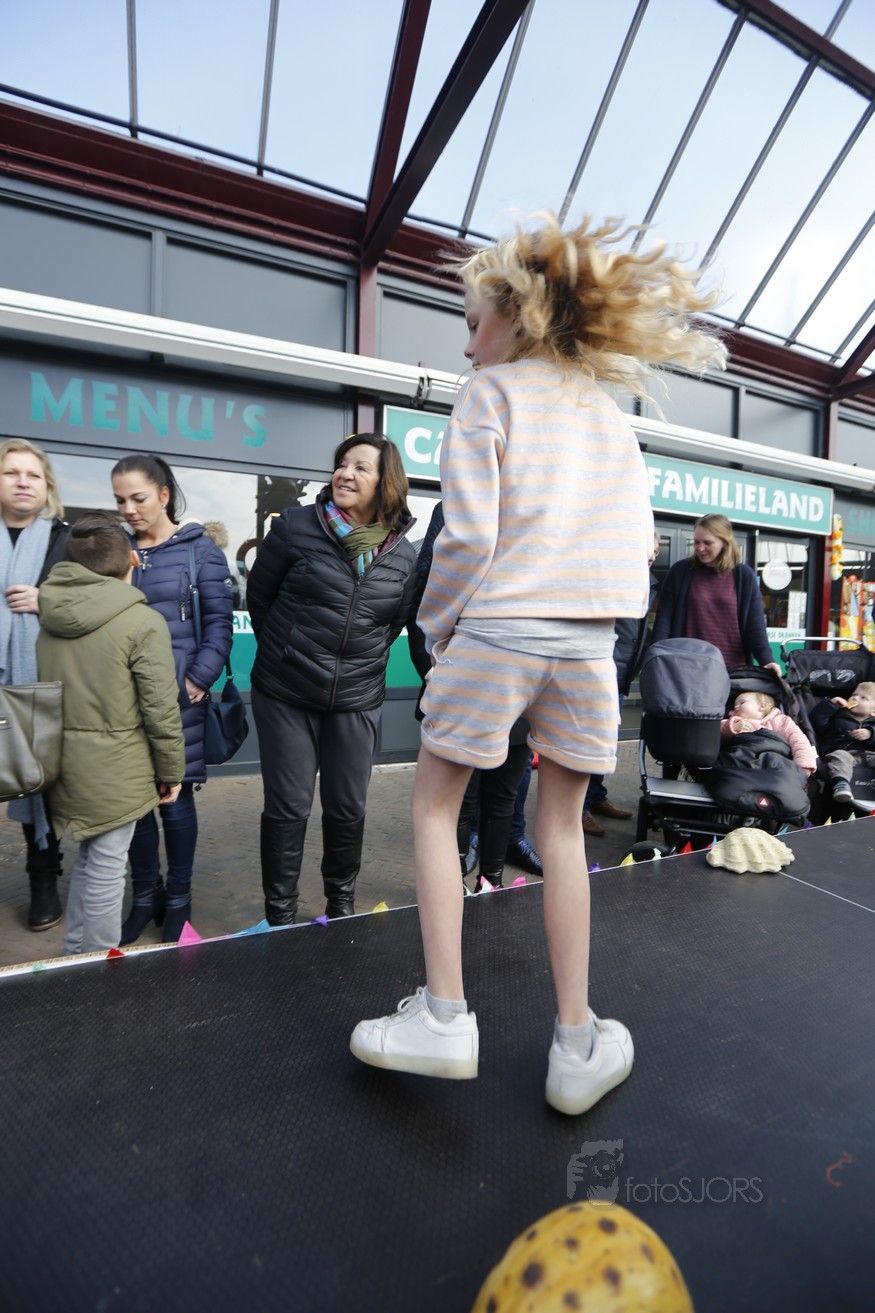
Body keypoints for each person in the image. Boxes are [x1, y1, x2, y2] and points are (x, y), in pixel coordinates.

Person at [350, 211, 725, 1114]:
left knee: (433, 806)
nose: (467, 344)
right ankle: (575, 1039)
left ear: (514, 313)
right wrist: (601, 634)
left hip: (497, 629)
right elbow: (636, 547)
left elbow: (467, 536)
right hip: (588, 645)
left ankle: (444, 1017)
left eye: (472, 321)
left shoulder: (489, 394)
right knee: (559, 829)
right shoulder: (607, 416)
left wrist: (439, 630)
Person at [247, 434, 418, 922]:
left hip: (357, 697)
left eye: (361, 467)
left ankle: (341, 904)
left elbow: (393, 625)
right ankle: (281, 914)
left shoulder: (403, 556)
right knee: (289, 806)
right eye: (343, 464)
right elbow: (260, 599)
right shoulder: (295, 527)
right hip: (286, 691)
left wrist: (354, 666)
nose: (345, 473)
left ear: (385, 483)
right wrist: (287, 650)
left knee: (347, 807)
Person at [35, 513, 185, 954]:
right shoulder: (141, 622)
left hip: (65, 763)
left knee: (89, 857)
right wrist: (171, 772)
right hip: (118, 768)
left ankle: (75, 953)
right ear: (133, 561)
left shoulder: (50, 615)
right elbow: (160, 708)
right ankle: (99, 965)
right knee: (106, 867)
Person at [111, 455, 233, 943]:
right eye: (120, 500)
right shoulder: (116, 550)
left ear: (164, 495)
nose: (128, 509)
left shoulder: (200, 550)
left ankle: (179, 900)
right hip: (124, 703)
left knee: (175, 799)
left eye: (138, 498)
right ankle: (146, 897)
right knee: (136, 804)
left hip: (179, 699)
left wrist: (196, 680)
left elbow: (220, 624)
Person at [408, 500, 531, 894]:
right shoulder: (455, 507)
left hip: (521, 688)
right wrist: (435, 675)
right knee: (459, 798)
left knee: (503, 798)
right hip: (463, 686)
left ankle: (490, 884)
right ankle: (454, 884)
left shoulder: (538, 505)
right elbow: (424, 594)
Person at [0, 438, 70, 931]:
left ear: (47, 486)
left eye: (33, 474)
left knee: (34, 785)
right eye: (11, 473)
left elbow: (94, 602)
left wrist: (48, 600)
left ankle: (43, 880)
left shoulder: (65, 540)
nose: (23, 482)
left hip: (35, 682)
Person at [583, 532, 661, 836]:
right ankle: (578, 808)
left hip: (621, 675)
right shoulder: (613, 576)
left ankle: (595, 796)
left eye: (656, 551)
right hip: (600, 673)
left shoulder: (648, 581)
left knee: (605, 742)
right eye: (648, 548)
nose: (652, 555)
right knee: (589, 742)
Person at [652, 513, 781, 675]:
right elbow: (664, 620)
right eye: (697, 542)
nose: (700, 548)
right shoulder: (681, 571)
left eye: (707, 543)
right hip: (687, 668)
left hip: (732, 670)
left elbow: (754, 626)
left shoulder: (743, 576)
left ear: (724, 542)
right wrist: (656, 656)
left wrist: (767, 660)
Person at [720, 691, 816, 773]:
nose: (736, 706)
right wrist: (732, 727)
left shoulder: (781, 721)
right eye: (734, 705)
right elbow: (717, 732)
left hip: (773, 761)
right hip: (740, 759)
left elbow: (798, 740)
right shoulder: (733, 721)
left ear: (762, 706)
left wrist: (804, 764)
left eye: (742, 703)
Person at [809, 682, 875, 800]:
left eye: (863, 698)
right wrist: (831, 705)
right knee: (841, 757)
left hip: (869, 756)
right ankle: (841, 785)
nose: (855, 698)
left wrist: (871, 734)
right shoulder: (838, 715)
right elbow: (816, 721)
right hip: (843, 753)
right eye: (854, 695)